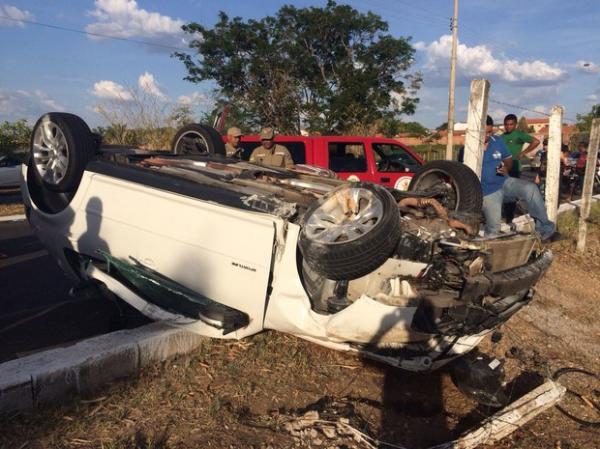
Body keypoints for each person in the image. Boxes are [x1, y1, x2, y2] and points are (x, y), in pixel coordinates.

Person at [480, 116, 559, 242]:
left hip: (504, 181)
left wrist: (506, 167)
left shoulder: (497, 140)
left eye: (489, 132)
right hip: (487, 191)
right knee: (494, 228)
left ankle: (545, 230)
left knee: (530, 188)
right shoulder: (467, 148)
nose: (487, 135)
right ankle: (487, 253)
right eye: (483, 132)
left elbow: (508, 160)